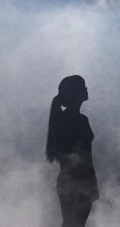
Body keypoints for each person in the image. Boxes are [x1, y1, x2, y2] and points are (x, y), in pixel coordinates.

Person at [45, 75, 97, 227]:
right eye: (83, 86)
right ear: (75, 93)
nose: (86, 89)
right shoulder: (76, 120)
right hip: (75, 180)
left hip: (77, 180)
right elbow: (78, 155)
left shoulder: (72, 119)